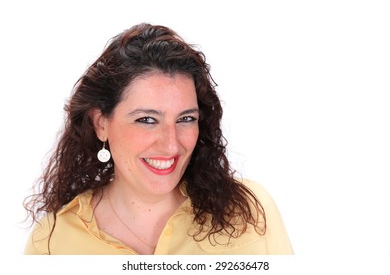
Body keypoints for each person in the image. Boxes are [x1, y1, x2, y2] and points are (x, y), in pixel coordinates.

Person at [23, 23, 293, 255]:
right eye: (147, 120)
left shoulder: (249, 211)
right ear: (101, 123)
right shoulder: (51, 243)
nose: (172, 145)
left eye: (186, 119)